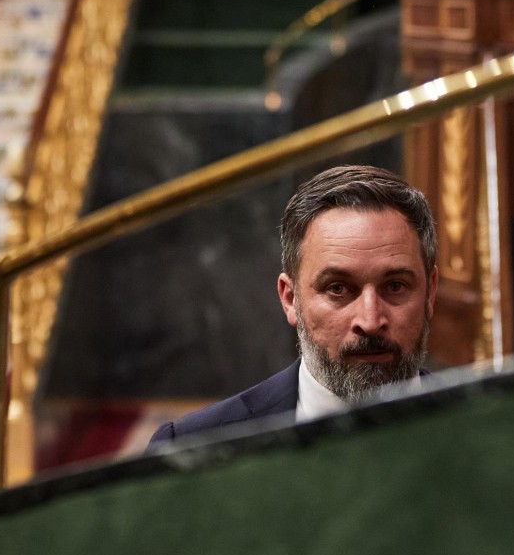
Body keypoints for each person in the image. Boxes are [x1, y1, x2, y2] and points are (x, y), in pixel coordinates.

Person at [146, 165, 438, 449]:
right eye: (338, 289)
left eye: (395, 286)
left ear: (430, 292)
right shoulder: (191, 448)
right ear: (291, 299)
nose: (371, 320)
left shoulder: (481, 430)